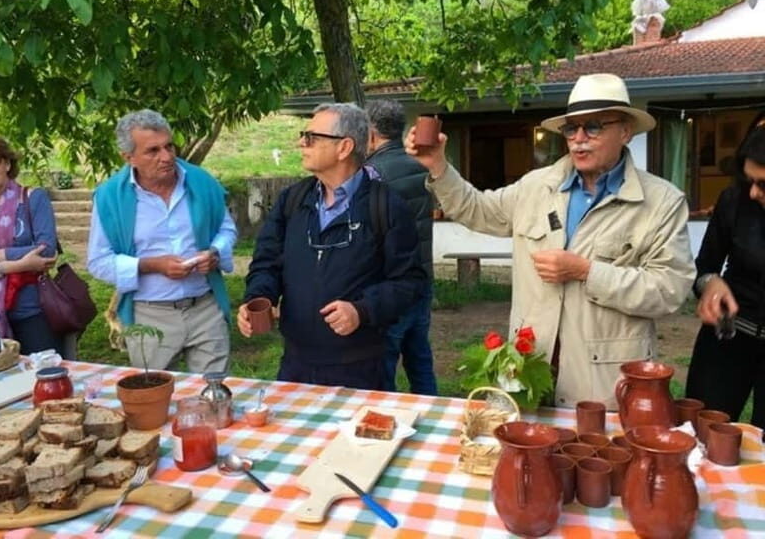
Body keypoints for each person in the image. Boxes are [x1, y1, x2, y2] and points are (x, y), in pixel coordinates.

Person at [407, 73, 695, 408]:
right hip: (529, 366)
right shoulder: (537, 186)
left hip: (604, 380)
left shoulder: (661, 202)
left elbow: (669, 290)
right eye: (571, 129)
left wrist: (587, 271)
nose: (579, 139)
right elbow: (478, 210)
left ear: (626, 130)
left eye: (594, 127)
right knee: (524, 456)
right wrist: (438, 166)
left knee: (594, 458)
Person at [238, 103, 426, 390]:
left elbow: (409, 282)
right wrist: (257, 299)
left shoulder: (386, 206)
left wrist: (362, 310)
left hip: (361, 369)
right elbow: (266, 263)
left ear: (344, 147)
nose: (302, 143)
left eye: (311, 137)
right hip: (295, 365)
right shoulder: (292, 201)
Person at [87, 109, 237, 373]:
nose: (167, 157)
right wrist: (150, 265)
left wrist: (215, 252)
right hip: (149, 314)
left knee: (212, 397)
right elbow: (98, 262)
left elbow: (226, 229)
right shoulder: (109, 197)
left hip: (205, 308)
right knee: (154, 400)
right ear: (128, 157)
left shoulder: (200, 182)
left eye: (169, 146)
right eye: (153, 151)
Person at [685, 121, 765, 431]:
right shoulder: (734, 200)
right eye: (750, 180)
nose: (754, 191)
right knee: (701, 433)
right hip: (728, 337)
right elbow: (703, 267)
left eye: (764, 184)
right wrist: (711, 284)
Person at [364, 99, 437, 395]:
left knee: (384, 363)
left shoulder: (370, 175)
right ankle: (435, 418)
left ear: (370, 133)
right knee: (420, 359)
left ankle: (385, 421)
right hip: (423, 276)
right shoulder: (423, 167)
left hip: (390, 285)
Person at [0, 132, 59, 354]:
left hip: (31, 312)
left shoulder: (33, 198)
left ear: (7, 163)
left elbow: (46, 251)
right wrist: (18, 265)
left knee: (44, 378)